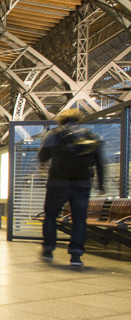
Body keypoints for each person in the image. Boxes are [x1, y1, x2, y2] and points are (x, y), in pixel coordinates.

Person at [38, 108, 104, 266]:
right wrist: (101, 184)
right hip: (82, 184)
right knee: (80, 219)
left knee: (51, 215)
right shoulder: (89, 135)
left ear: (61, 120)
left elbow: (43, 156)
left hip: (58, 183)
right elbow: (99, 161)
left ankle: (48, 250)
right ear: (79, 119)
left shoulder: (55, 134)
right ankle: (76, 254)